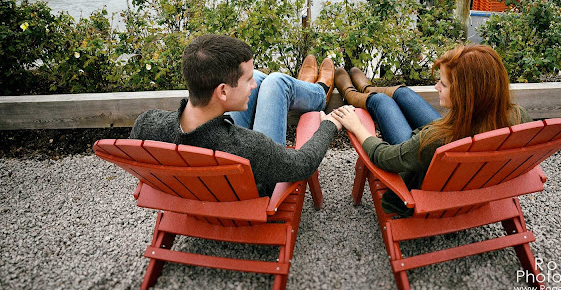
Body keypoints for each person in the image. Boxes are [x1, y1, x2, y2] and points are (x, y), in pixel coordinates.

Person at [130, 34, 341, 197]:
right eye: (247, 80)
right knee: (276, 82)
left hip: (195, 191)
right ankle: (315, 91)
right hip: (249, 194)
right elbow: (303, 164)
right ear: (222, 91)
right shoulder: (251, 148)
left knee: (263, 78)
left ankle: (295, 87)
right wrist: (329, 124)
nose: (253, 85)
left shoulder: (146, 124)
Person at [331, 44, 531, 216]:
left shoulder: (436, 139)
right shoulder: (518, 116)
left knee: (382, 102)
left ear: (465, 95)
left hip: (426, 174)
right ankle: (367, 88)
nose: (436, 87)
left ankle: (352, 93)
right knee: (404, 94)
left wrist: (357, 127)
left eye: (442, 84)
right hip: (466, 166)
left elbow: (384, 156)